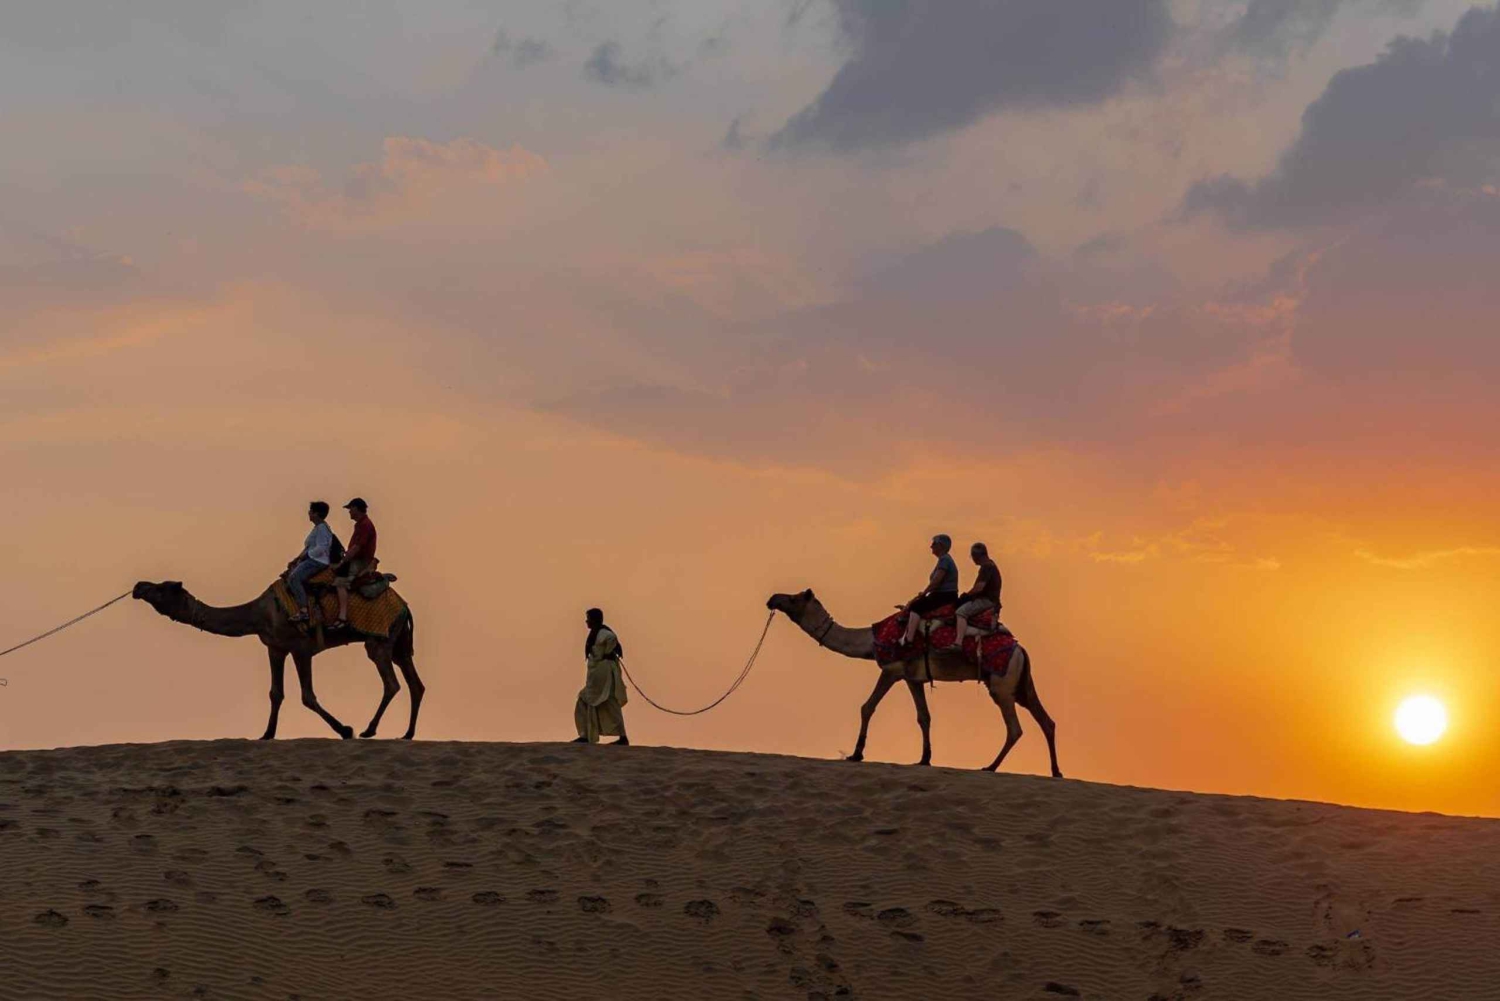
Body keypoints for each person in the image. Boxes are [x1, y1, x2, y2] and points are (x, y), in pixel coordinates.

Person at [573, 607, 629, 745]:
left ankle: (622, 738)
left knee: (610, 704)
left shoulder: (604, 633)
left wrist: (608, 652)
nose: (586, 621)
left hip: (605, 676)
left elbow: (612, 639)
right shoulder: (595, 634)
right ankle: (586, 735)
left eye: (588, 618)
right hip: (596, 677)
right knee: (584, 701)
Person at [900, 534, 961, 645]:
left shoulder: (944, 560)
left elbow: (936, 582)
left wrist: (924, 593)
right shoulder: (944, 560)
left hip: (944, 596)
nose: (931, 546)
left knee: (916, 607)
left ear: (941, 546)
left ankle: (909, 639)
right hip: (941, 595)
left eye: (934, 544)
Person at [285, 501, 338, 623]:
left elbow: (322, 548)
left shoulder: (322, 529)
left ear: (316, 513)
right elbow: (309, 547)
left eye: (311, 511)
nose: (308, 513)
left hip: (318, 561)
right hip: (312, 558)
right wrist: (297, 559)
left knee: (294, 578)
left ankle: (303, 611)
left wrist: (306, 556)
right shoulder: (318, 528)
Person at [944, 541, 1002, 651]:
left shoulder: (986, 567)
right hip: (990, 599)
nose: (973, 559)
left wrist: (966, 596)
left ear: (977, 556)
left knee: (960, 613)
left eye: (973, 556)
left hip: (987, 600)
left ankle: (958, 643)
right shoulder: (991, 565)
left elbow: (979, 587)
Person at [330, 497, 377, 630]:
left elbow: (357, 548)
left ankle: (342, 617)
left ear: (356, 508)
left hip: (360, 562)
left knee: (340, 582)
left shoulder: (365, 525)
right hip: (356, 559)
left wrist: (343, 561)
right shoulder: (361, 524)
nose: (349, 511)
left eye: (350, 508)